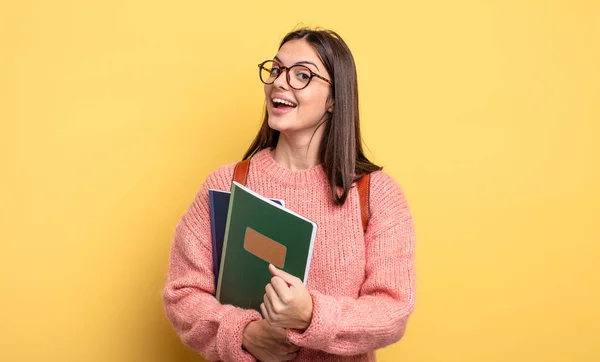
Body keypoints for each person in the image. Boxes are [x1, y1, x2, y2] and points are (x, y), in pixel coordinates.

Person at [163, 27, 416, 362]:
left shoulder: (376, 195)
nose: (280, 82)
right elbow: (182, 294)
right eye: (277, 70)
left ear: (334, 99)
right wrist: (244, 334)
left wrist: (312, 315)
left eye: (302, 75)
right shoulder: (225, 184)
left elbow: (392, 311)